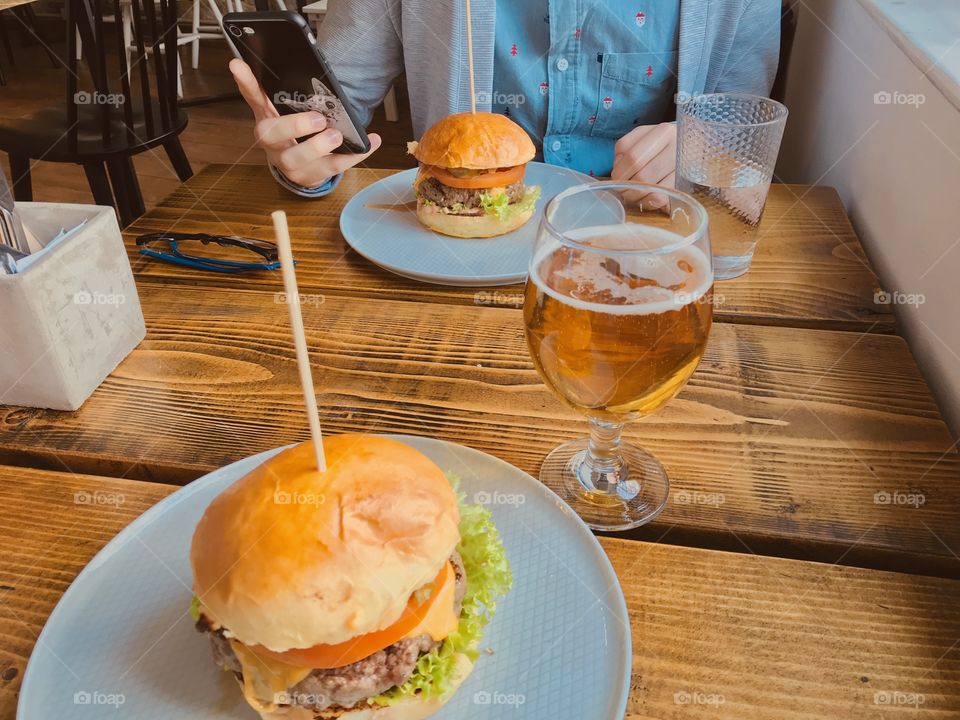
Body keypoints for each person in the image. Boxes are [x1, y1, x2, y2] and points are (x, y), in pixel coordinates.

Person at [231, 0, 781, 198]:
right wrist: (304, 156)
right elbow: (330, 108)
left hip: (643, 238)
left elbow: (739, 134)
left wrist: (697, 154)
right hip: (452, 251)